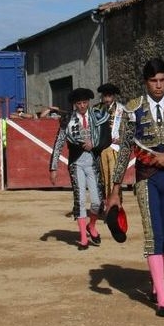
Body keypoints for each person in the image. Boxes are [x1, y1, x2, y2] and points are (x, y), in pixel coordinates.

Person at [105, 58, 164, 318]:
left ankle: (155, 283)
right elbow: (124, 150)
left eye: (162, 80)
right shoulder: (133, 109)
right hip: (146, 178)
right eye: (153, 81)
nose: (158, 85)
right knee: (154, 235)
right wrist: (115, 189)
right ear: (145, 82)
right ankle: (162, 297)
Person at [49, 88, 110, 250]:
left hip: (93, 163)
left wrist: (94, 144)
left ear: (88, 102)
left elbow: (107, 138)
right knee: (80, 199)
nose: (82, 106)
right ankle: (83, 238)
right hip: (76, 164)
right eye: (79, 103)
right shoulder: (68, 119)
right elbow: (59, 143)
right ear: (74, 104)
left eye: (84, 102)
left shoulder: (97, 116)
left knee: (97, 202)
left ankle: (92, 226)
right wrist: (53, 167)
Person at [96, 82, 125, 202]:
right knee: (103, 178)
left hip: (115, 148)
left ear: (113, 96)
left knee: (114, 176)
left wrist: (122, 139)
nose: (107, 99)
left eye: (109, 96)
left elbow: (128, 127)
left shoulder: (121, 109)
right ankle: (106, 204)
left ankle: (116, 204)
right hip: (101, 148)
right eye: (105, 96)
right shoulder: (97, 109)